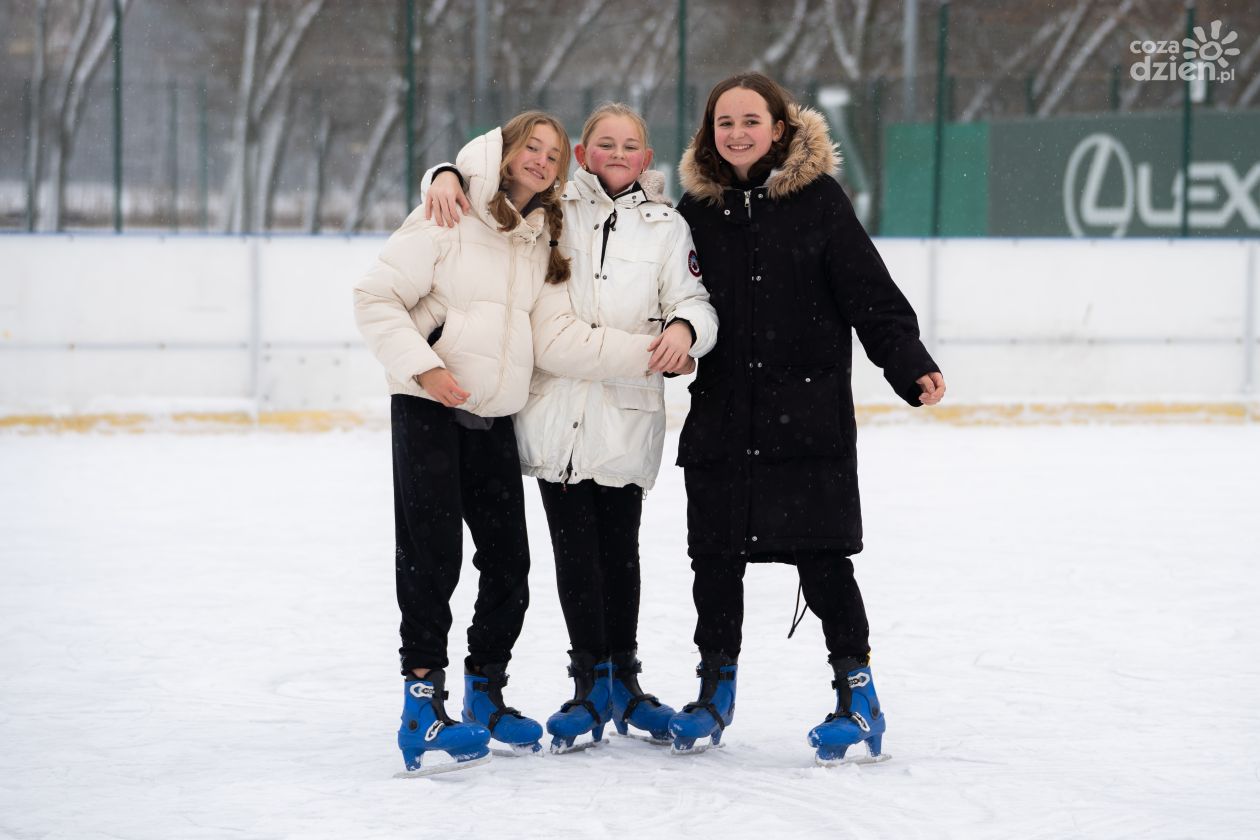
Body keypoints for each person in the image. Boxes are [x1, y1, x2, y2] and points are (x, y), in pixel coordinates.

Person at [354, 111, 664, 775]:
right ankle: (421, 707)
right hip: (429, 408)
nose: (543, 160)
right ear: (505, 148)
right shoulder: (448, 212)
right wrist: (426, 368)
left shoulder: (536, 235)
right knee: (431, 560)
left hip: (493, 416)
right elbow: (375, 298)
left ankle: (485, 693)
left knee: (508, 566)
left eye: (554, 154)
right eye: (533, 147)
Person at [663, 72, 947, 765]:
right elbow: (664, 290)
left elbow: (867, 292)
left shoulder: (817, 201)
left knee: (824, 562)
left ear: (781, 128)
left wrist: (906, 361)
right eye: (723, 122)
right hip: (726, 418)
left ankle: (858, 696)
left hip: (806, 417)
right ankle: (713, 694)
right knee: (715, 563)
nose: (736, 133)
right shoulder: (693, 211)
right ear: (709, 133)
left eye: (750, 120)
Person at [424, 103, 718, 752]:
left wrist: (684, 330)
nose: (617, 153)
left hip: (626, 417)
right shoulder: (553, 213)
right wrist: (443, 171)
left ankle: (624, 681)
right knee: (575, 552)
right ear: (583, 154)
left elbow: (694, 300)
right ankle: (589, 683)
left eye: (631, 144)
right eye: (604, 143)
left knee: (622, 552)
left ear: (646, 158)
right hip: (558, 417)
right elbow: (489, 179)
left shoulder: (667, 228)